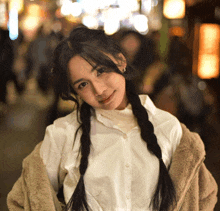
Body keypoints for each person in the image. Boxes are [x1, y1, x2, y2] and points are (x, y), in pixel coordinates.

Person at [7, 27, 218, 211]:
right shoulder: (62, 134)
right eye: (83, 84)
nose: (99, 89)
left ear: (120, 61)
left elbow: (203, 195)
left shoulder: (167, 126)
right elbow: (23, 200)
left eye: (101, 71)